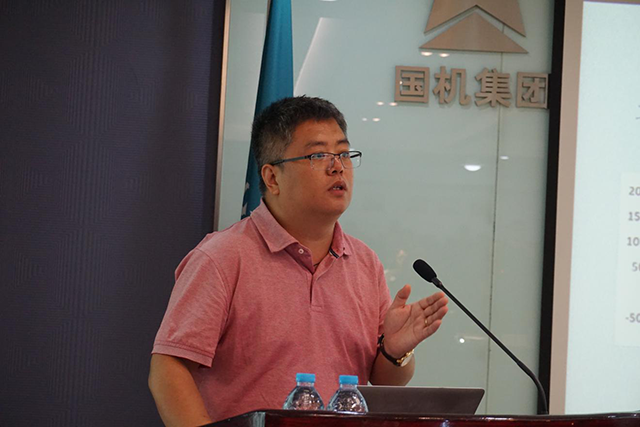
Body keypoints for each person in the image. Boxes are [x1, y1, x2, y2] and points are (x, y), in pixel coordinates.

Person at [148, 96, 449, 426]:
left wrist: (395, 351)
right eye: (318, 155)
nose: (337, 167)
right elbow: (168, 370)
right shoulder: (222, 257)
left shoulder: (365, 263)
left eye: (344, 154)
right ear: (272, 178)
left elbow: (384, 381)